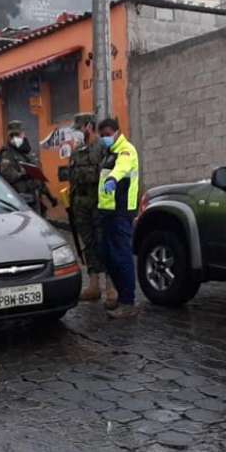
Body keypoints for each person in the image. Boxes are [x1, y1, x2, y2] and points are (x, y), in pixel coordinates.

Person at [69, 113, 116, 304]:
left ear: (89, 126)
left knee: (103, 242)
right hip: (81, 204)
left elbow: (105, 173)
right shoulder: (77, 150)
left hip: (98, 202)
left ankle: (111, 287)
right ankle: (93, 284)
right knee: (88, 244)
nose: (78, 133)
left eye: (79, 128)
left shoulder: (102, 148)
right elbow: (72, 175)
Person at [97, 118, 140, 319]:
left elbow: (121, 167)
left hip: (122, 212)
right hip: (108, 212)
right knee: (108, 256)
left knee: (122, 257)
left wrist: (114, 178)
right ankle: (120, 297)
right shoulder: (109, 152)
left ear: (116, 131)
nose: (104, 137)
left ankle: (128, 302)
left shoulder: (126, 150)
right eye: (102, 134)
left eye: (107, 133)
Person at [0, 121, 56, 214]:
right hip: (20, 200)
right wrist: (23, 174)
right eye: (13, 135)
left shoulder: (28, 152)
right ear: (9, 136)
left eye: (18, 134)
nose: (16, 137)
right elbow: (8, 175)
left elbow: (39, 178)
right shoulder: (7, 154)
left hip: (35, 197)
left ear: (23, 134)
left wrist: (49, 196)